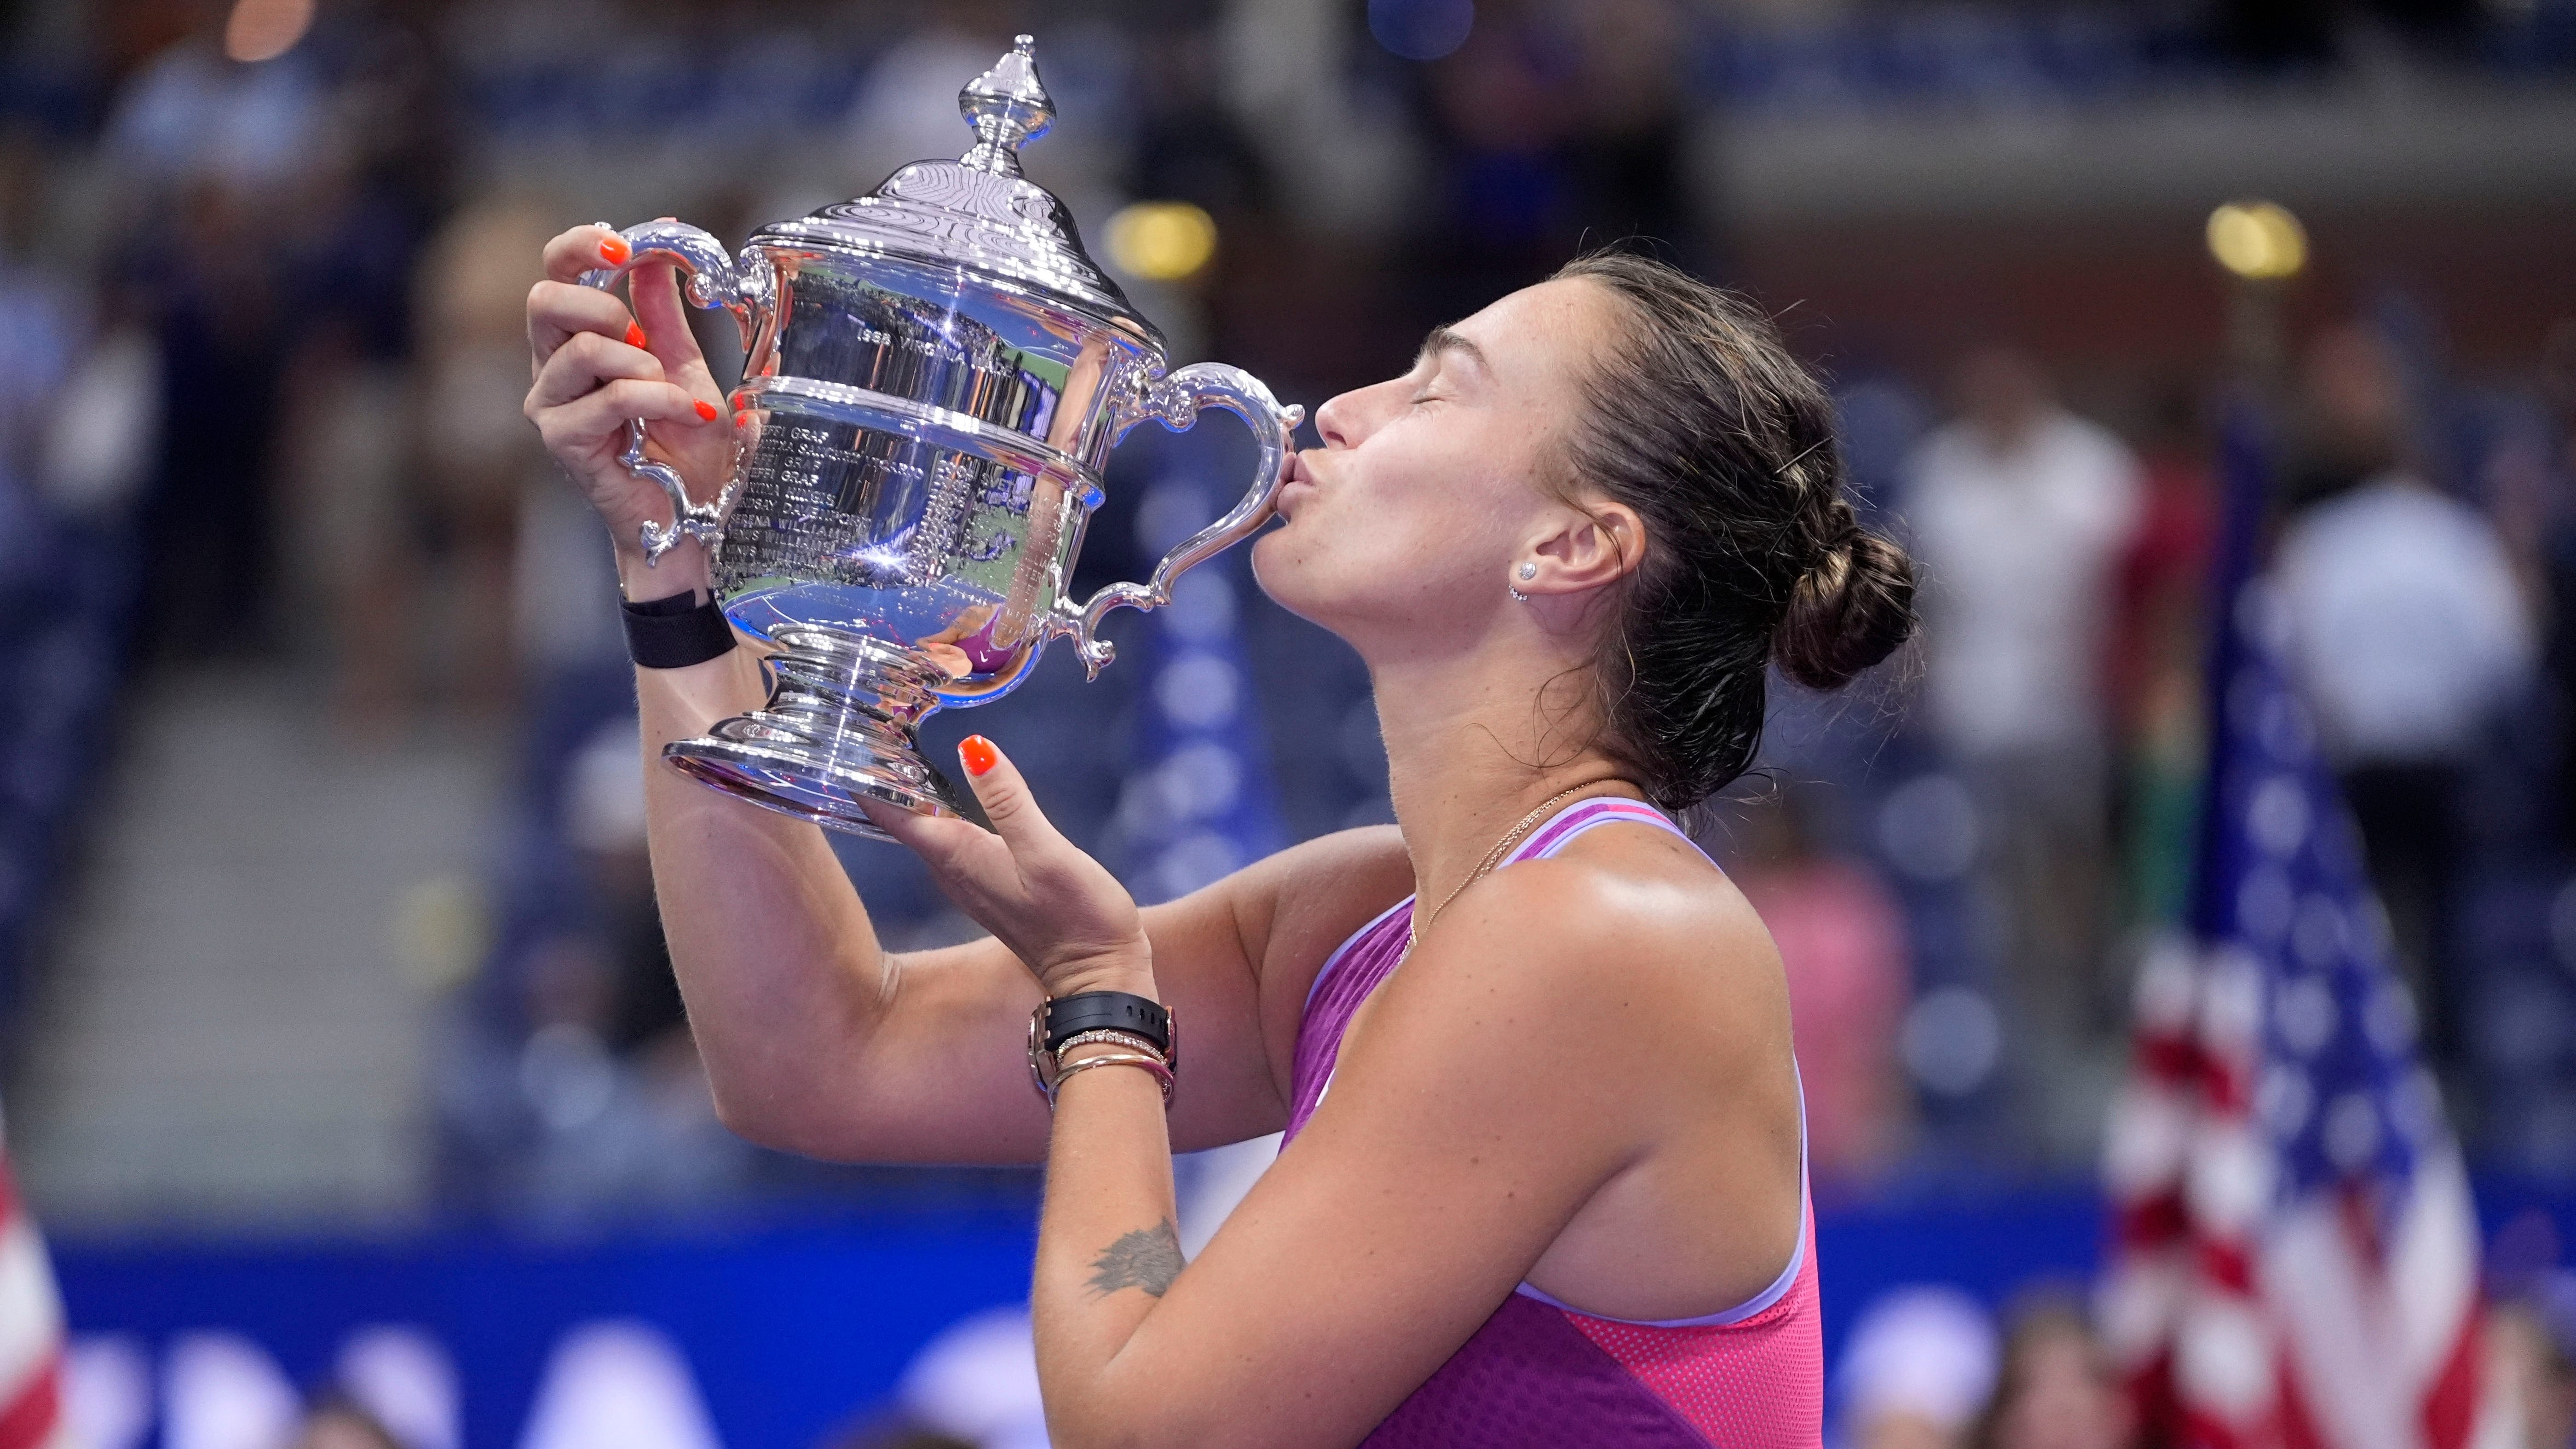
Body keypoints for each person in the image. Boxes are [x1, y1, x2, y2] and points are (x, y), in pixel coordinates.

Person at [524, 237, 1913, 1445]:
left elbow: (1143, 1428)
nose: (1345, 410)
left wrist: (1103, 1000)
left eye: (1437, 387)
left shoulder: (1602, 932)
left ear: (1572, 546)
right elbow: (814, 1056)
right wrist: (677, 557)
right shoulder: (1369, 913)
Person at [1903, 346, 2143, 1150]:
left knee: (2078, 875)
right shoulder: (1943, 473)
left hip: (2071, 711)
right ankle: (2024, 1021)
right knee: (1996, 895)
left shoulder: (2095, 472)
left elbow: (2129, 596)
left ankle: (2087, 993)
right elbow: (1922, 600)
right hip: (1980, 713)